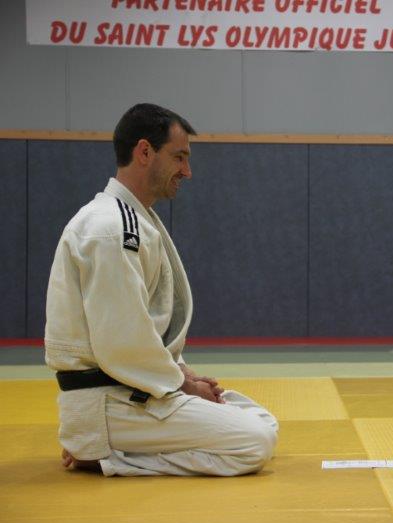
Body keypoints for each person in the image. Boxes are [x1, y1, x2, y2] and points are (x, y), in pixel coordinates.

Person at [45, 103, 278, 476]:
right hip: (111, 402)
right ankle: (108, 454)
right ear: (144, 152)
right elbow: (122, 341)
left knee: (261, 420)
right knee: (256, 442)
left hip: (132, 393)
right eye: (179, 157)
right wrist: (183, 385)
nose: (187, 171)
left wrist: (184, 374)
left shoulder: (131, 219)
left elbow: (143, 329)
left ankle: (109, 447)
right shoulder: (113, 229)